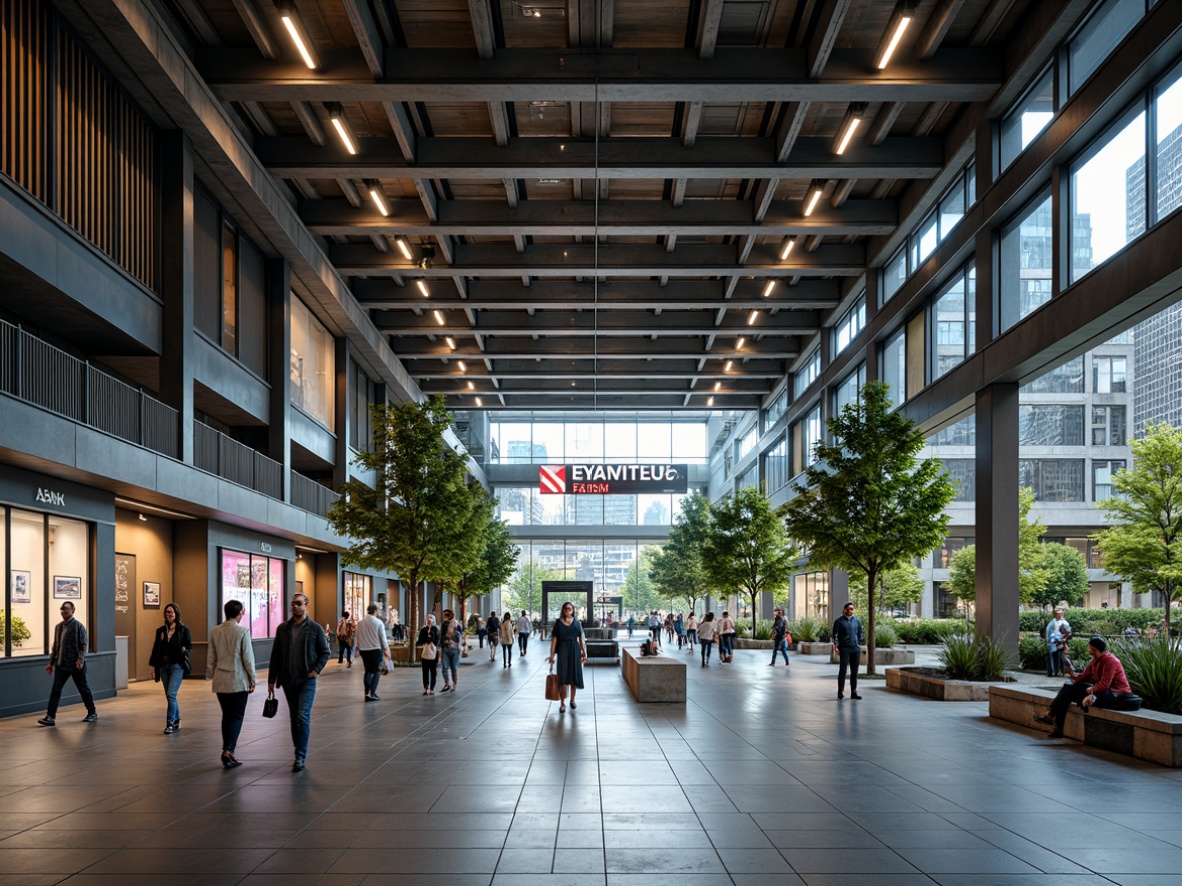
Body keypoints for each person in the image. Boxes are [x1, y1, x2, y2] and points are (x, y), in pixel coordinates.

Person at [269, 593, 330, 772]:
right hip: (288, 680)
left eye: (298, 604)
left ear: (306, 606)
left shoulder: (315, 629)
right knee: (294, 718)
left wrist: (315, 670)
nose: (294, 606)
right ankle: (298, 751)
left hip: (307, 680)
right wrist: (272, 679)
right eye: (292, 604)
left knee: (302, 716)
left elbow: (325, 652)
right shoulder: (283, 629)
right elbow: (276, 655)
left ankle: (300, 756)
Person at [1034, 637, 1139, 738]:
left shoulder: (1111, 661)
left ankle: (1053, 718)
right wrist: (1072, 675)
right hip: (1100, 692)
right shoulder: (1095, 660)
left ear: (1094, 648)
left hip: (1114, 695)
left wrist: (1090, 690)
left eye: (1090, 648)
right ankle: (1056, 724)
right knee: (1068, 688)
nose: (1089, 650)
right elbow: (1084, 677)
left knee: (1072, 692)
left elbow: (1104, 684)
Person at [206, 599, 256, 768]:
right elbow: (248, 658)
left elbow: (211, 656)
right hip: (237, 681)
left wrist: (210, 674)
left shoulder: (215, 631)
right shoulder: (243, 632)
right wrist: (252, 679)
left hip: (221, 681)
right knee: (236, 716)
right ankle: (228, 750)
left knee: (226, 715)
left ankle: (227, 749)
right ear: (240, 613)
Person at [38, 601, 98, 726]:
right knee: (56, 690)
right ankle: (50, 717)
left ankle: (92, 712)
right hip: (61, 665)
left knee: (83, 689)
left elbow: (83, 645)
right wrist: (51, 663)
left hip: (75, 665)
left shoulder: (78, 626)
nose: (63, 611)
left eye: (66, 609)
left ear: (72, 610)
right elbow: (56, 646)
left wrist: (80, 660)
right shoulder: (58, 627)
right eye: (62, 609)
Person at [148, 602, 192, 733]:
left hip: (177, 666)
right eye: (167, 612)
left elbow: (189, 646)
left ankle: (170, 723)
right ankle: (177, 717)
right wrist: (153, 666)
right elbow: (156, 649)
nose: (169, 614)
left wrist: (185, 649)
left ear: (176, 614)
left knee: (172, 694)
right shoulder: (160, 631)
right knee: (169, 695)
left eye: (171, 612)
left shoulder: (183, 629)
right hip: (164, 666)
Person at [548, 600, 588, 712]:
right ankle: (562, 703)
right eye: (566, 608)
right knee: (563, 677)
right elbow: (554, 640)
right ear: (563, 610)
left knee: (573, 677)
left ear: (573, 610)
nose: (568, 610)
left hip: (574, 650)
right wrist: (551, 655)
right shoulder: (558, 623)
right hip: (563, 651)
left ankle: (573, 700)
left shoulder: (577, 623)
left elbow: (580, 639)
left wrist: (584, 652)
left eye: (570, 609)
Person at [356, 603, 391, 701]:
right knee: (376, 671)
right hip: (375, 650)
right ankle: (373, 692)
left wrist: (356, 648)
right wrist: (387, 650)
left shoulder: (360, 623)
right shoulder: (378, 622)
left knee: (367, 671)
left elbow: (356, 636)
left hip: (364, 650)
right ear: (375, 611)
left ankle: (366, 693)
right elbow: (383, 639)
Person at [832, 602, 864, 700]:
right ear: (845, 610)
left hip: (855, 648)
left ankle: (853, 692)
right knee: (843, 670)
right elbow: (835, 635)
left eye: (852, 609)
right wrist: (836, 646)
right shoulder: (839, 621)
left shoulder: (856, 620)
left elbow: (859, 632)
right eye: (849, 609)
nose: (851, 611)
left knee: (854, 671)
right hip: (845, 648)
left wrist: (858, 642)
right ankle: (840, 691)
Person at [439, 608, 463, 691]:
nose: (445, 617)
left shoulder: (457, 624)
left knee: (454, 668)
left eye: (446, 615)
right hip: (445, 648)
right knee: (444, 667)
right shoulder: (443, 624)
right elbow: (441, 636)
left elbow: (459, 638)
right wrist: (442, 645)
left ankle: (454, 684)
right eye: (444, 615)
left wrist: (451, 634)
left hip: (455, 649)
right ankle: (447, 683)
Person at [1044, 607, 1072, 677]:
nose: (1060, 615)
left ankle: (1062, 671)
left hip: (1062, 641)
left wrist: (1066, 637)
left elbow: (1069, 631)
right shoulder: (1052, 622)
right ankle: (1054, 671)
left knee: (1062, 656)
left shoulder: (1064, 622)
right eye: (1059, 614)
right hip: (1053, 641)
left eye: (1061, 613)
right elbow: (1048, 631)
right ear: (1055, 614)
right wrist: (1048, 641)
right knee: (1053, 656)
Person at [417, 614, 440, 695]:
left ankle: (432, 688)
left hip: (433, 654)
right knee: (425, 672)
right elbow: (419, 641)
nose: (428, 621)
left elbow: (437, 641)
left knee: (433, 672)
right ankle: (426, 687)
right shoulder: (423, 630)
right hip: (425, 653)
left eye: (430, 619)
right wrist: (426, 637)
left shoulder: (436, 629)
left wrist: (431, 635)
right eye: (427, 619)